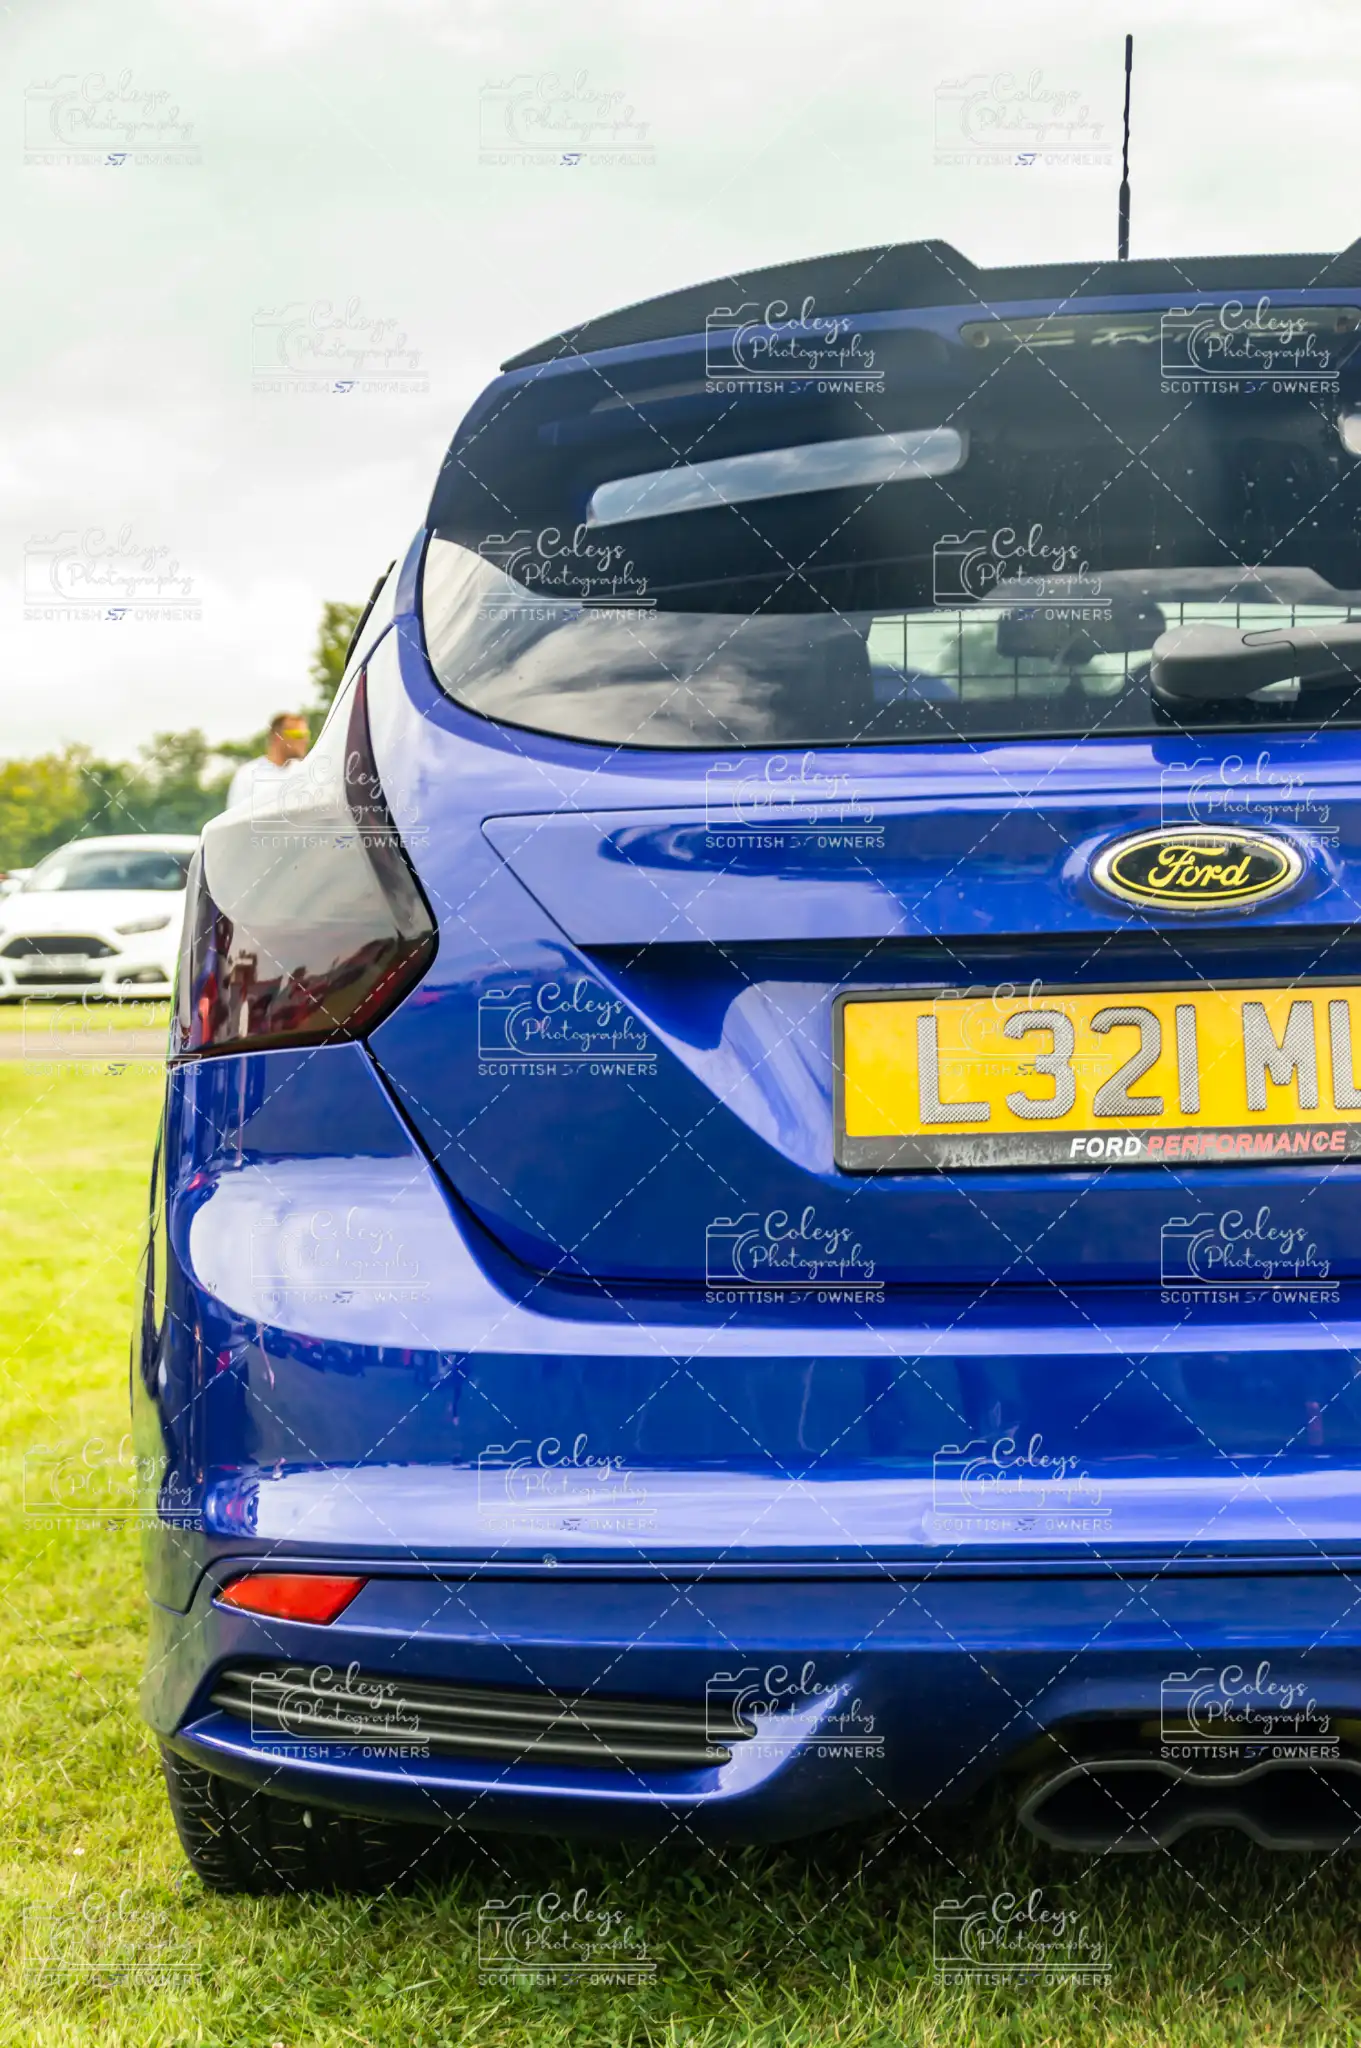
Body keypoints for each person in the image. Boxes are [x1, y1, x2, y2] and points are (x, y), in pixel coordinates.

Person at [225, 713, 311, 812]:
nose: (305, 740)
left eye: (306, 735)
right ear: (278, 737)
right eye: (298, 735)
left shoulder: (307, 773)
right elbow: (235, 817)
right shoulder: (247, 775)